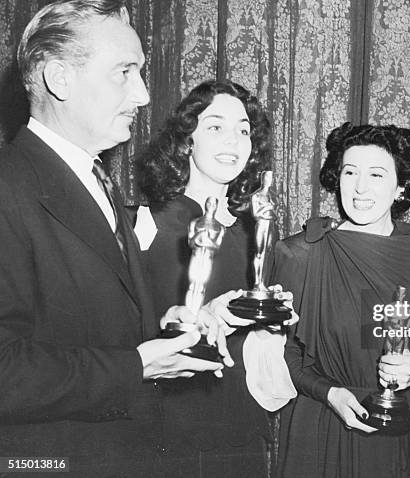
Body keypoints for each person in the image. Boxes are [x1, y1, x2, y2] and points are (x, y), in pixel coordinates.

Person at [0, 1, 225, 476]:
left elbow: (89, 318)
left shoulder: (96, 176)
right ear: (58, 79)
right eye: (124, 72)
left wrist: (166, 330)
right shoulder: (8, 185)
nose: (143, 95)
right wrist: (136, 366)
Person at [136, 79, 295, 476]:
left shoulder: (251, 230)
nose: (234, 140)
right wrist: (200, 315)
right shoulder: (148, 223)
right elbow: (129, 330)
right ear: (187, 139)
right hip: (173, 431)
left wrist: (272, 322)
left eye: (243, 130)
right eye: (215, 127)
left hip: (240, 428)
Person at [273, 123, 410, 477]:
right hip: (328, 428)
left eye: (377, 174)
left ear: (401, 186)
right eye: (350, 172)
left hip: (406, 434)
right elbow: (284, 353)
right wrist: (330, 393)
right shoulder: (301, 253)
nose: (360, 187)